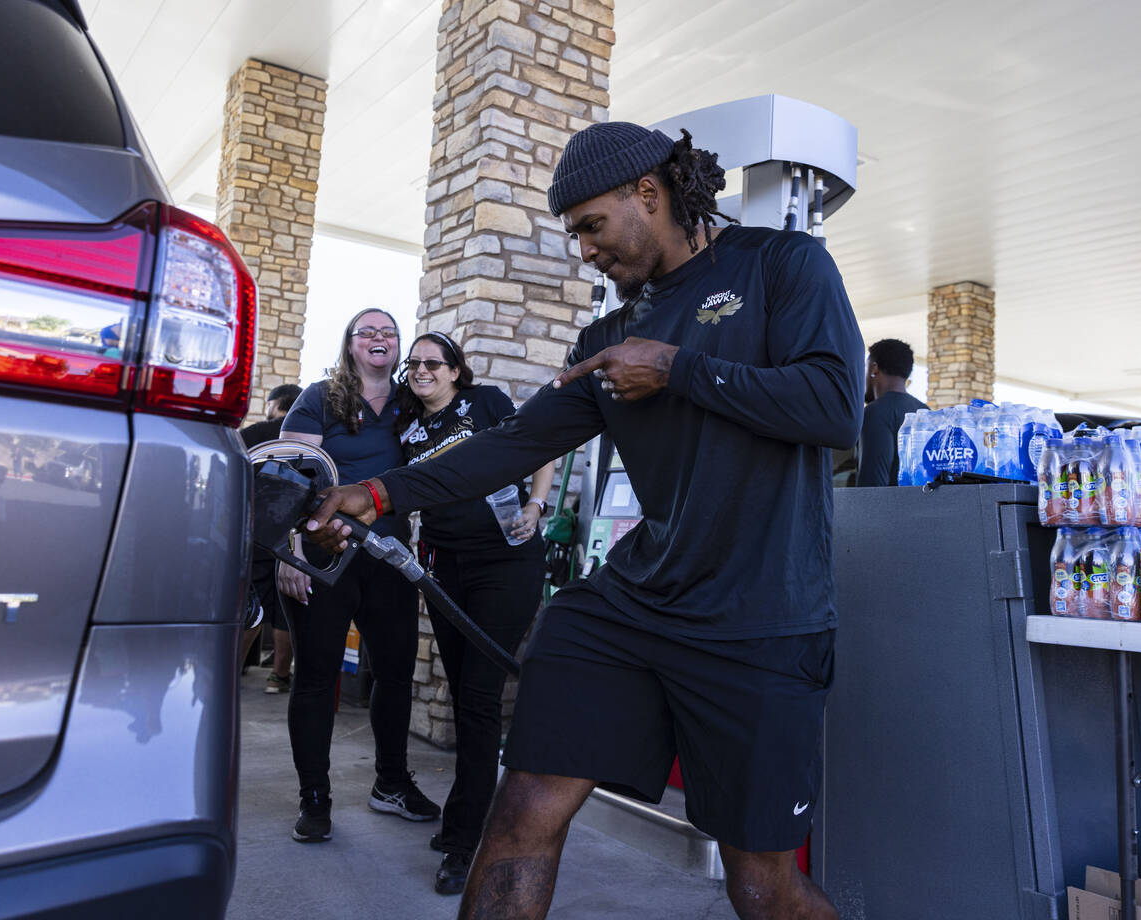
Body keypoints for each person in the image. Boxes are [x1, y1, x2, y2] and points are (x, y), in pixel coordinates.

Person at [306, 123, 864, 919]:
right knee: (525, 800)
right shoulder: (608, 338)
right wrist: (382, 494)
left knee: (760, 886)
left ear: (648, 193)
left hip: (761, 617)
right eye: (574, 235)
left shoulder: (781, 264)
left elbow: (836, 407)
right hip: (633, 606)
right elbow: (517, 442)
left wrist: (677, 368)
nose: (585, 251)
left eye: (591, 227)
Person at [394, 331, 554, 895]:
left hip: (505, 563)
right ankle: (470, 815)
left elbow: (541, 446)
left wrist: (537, 505)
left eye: (432, 363)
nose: (421, 371)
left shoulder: (485, 403)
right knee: (466, 696)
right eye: (413, 364)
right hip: (442, 566)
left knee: (481, 697)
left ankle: (465, 844)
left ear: (456, 370)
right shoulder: (405, 426)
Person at [277, 308, 440, 843]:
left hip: (389, 555)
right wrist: (289, 550)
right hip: (323, 553)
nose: (378, 338)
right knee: (317, 676)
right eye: (366, 330)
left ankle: (390, 783)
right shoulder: (320, 397)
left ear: (398, 347)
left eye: (388, 331)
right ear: (349, 344)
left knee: (394, 673)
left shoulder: (410, 403)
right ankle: (315, 799)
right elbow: (285, 475)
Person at [239, 382, 303, 690]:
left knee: (250, 604)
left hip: (256, 529)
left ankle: (229, 675)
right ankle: (279, 676)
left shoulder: (253, 434)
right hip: (296, 531)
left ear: (275, 403)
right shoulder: (310, 438)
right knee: (285, 608)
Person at [855, 338, 928, 487]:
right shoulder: (925, 412)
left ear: (874, 369)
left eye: (866, 368)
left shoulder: (875, 412)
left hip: (889, 509)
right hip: (926, 507)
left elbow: (872, 486)